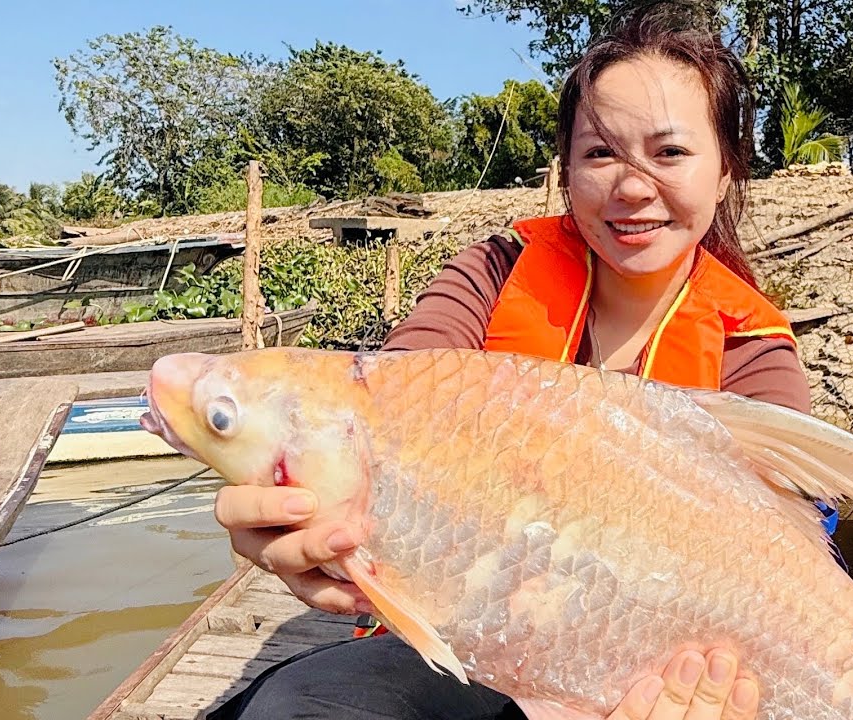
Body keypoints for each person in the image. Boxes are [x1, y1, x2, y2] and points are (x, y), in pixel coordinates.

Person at [208, 8, 816, 719]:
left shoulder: (753, 351)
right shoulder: (493, 274)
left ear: (725, 173)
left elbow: (797, 569)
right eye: (600, 154)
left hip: (657, 671)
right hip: (468, 644)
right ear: (565, 171)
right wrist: (310, 508)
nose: (632, 186)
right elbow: (394, 393)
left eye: (671, 153)